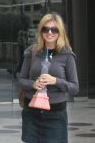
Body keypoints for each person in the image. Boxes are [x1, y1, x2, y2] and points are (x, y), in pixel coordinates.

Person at [18, 12, 79, 143]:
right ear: (41, 31)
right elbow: (21, 79)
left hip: (55, 115)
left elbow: (74, 88)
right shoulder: (32, 51)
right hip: (31, 113)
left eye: (54, 29)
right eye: (45, 29)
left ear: (60, 32)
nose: (49, 32)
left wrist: (56, 81)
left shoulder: (67, 55)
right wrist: (33, 84)